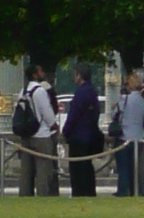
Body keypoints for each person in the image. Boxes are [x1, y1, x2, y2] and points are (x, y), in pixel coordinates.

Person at [16, 65, 61, 194]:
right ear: (35, 75)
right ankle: (42, 197)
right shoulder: (40, 91)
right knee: (43, 172)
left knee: (26, 172)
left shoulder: (23, 91)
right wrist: (53, 124)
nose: (43, 73)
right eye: (41, 71)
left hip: (27, 136)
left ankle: (25, 196)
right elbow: (47, 113)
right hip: (41, 135)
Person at [62, 68, 104, 196]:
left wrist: (66, 130)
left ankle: (79, 193)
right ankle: (88, 191)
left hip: (78, 136)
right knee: (86, 167)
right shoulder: (92, 91)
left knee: (78, 169)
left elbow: (74, 114)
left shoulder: (81, 92)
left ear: (79, 76)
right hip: (89, 135)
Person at [115, 71, 144, 196]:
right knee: (136, 169)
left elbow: (117, 113)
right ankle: (136, 190)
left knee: (124, 168)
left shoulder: (124, 99)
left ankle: (124, 191)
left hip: (125, 136)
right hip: (139, 137)